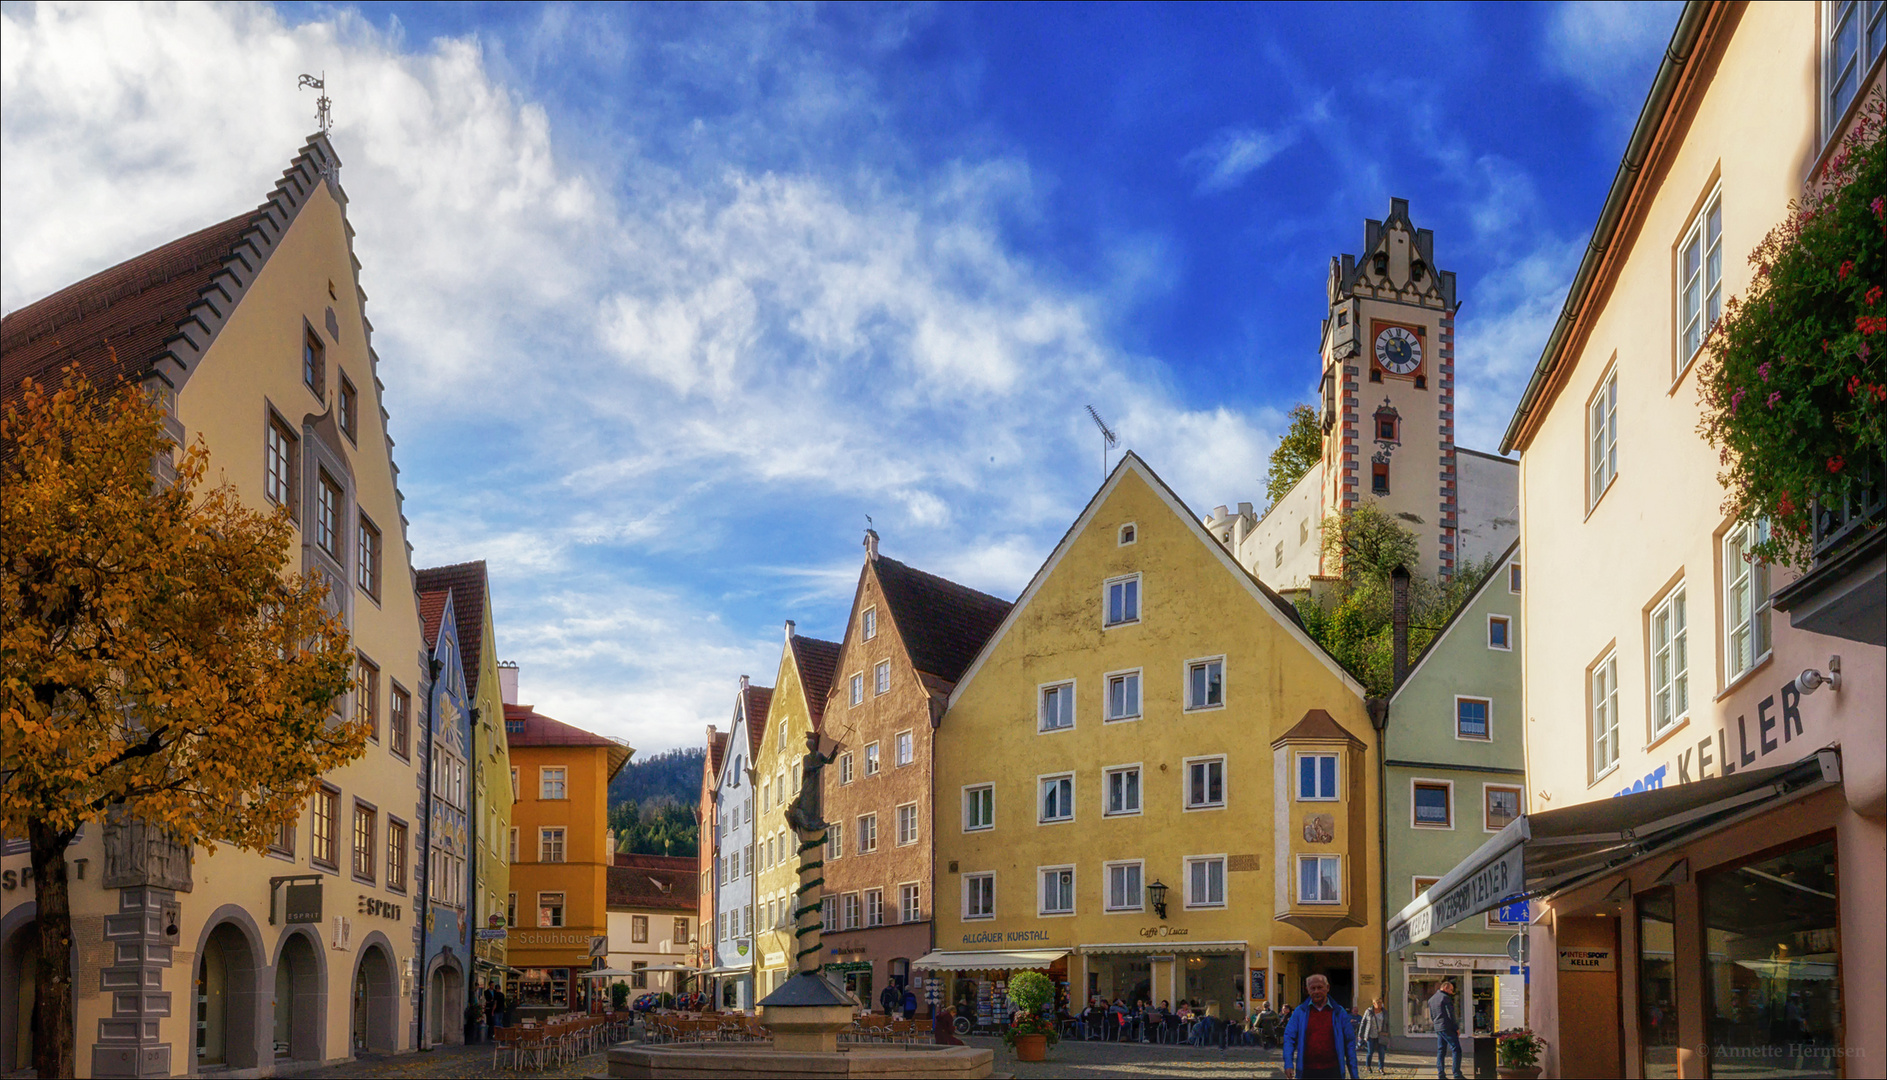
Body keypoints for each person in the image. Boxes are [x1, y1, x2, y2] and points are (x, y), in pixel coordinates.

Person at [1281, 974, 1358, 1080]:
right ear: (1307, 990)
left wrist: (1354, 1074)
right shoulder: (1300, 1012)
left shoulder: (1339, 1012)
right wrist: (1288, 1064)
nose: (1316, 991)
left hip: (1333, 1070)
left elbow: (1349, 1042)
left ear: (1327, 988)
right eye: (1313, 988)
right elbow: (1289, 1038)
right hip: (1307, 1071)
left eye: (1320, 987)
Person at [1429, 980, 1464, 1080]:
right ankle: (1457, 1074)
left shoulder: (1431, 999)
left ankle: (1441, 1074)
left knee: (1441, 1050)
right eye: (1451, 989)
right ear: (1445, 988)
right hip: (1447, 1027)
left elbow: (1432, 1015)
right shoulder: (1445, 998)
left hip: (1438, 1027)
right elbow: (1450, 1015)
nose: (1452, 992)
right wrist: (1456, 1028)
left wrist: (1436, 1025)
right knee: (1456, 1049)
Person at [1357, 998, 1388, 1075]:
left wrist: (1387, 1032)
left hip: (1381, 1035)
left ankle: (1381, 1068)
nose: (1380, 1004)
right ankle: (1368, 1066)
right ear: (1374, 1003)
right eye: (1378, 1003)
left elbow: (1387, 1023)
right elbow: (1363, 1023)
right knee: (1370, 1052)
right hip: (1370, 1035)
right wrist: (1360, 1035)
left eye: (1381, 1002)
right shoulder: (1369, 1012)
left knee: (1381, 1053)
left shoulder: (1384, 1012)